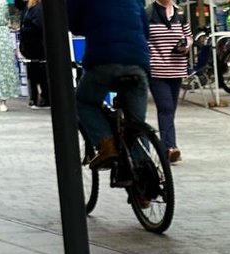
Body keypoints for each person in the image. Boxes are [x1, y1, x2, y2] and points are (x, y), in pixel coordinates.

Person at [68, 0, 149, 167]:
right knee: (137, 125)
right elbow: (145, 30)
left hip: (104, 61)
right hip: (138, 62)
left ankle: (106, 144)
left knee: (84, 102)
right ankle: (145, 175)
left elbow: (74, 25)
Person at [148, 0, 192, 164]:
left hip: (177, 69)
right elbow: (143, 39)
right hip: (157, 70)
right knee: (165, 108)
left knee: (170, 110)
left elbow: (188, 36)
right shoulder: (148, 13)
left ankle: (167, 147)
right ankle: (169, 147)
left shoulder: (180, 13)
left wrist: (185, 44)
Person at [19, 0, 48, 108]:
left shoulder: (36, 8)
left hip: (35, 44)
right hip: (31, 44)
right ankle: (35, 97)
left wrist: (25, 29)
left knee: (38, 71)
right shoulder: (28, 8)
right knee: (34, 71)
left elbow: (39, 25)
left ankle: (41, 97)